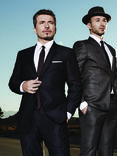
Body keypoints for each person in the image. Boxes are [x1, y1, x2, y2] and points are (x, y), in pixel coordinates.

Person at [9, 9, 82, 156]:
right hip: (28, 119)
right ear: (35, 29)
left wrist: (67, 113)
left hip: (56, 119)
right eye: (42, 22)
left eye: (51, 23)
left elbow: (75, 85)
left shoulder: (66, 53)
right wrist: (23, 85)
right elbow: (13, 82)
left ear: (55, 27)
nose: (47, 26)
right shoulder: (23, 54)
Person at [73, 6, 117, 156]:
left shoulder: (111, 49)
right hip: (92, 106)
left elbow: (114, 75)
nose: (102, 23)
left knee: (107, 151)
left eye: (104, 20)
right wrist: (81, 102)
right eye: (97, 20)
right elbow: (74, 75)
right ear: (89, 25)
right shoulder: (82, 45)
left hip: (113, 105)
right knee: (89, 150)